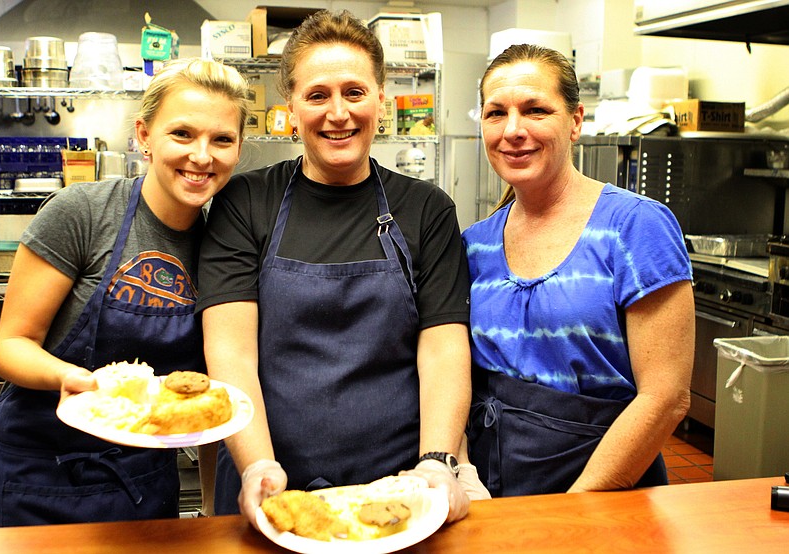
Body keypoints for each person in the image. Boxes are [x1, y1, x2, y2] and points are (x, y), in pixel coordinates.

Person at [198, 9, 472, 526]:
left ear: (381, 100)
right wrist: (257, 464)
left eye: (354, 92)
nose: (338, 113)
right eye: (318, 95)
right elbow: (230, 348)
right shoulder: (247, 202)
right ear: (292, 108)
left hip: (398, 484)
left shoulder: (425, 209)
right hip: (272, 480)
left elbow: (443, 345)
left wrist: (436, 464)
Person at [0, 57, 250, 527]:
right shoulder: (83, 212)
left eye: (222, 139)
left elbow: (207, 402)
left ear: (239, 148)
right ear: (144, 136)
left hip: (143, 485)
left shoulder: (226, 245)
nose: (202, 156)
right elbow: (10, 346)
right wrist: (76, 380)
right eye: (182, 133)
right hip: (38, 475)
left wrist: (208, 506)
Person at [462, 44, 695, 497]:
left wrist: (578, 505)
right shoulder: (475, 243)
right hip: (496, 488)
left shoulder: (635, 226)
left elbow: (666, 397)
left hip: (604, 489)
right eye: (496, 114)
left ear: (575, 121)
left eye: (535, 110)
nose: (513, 130)